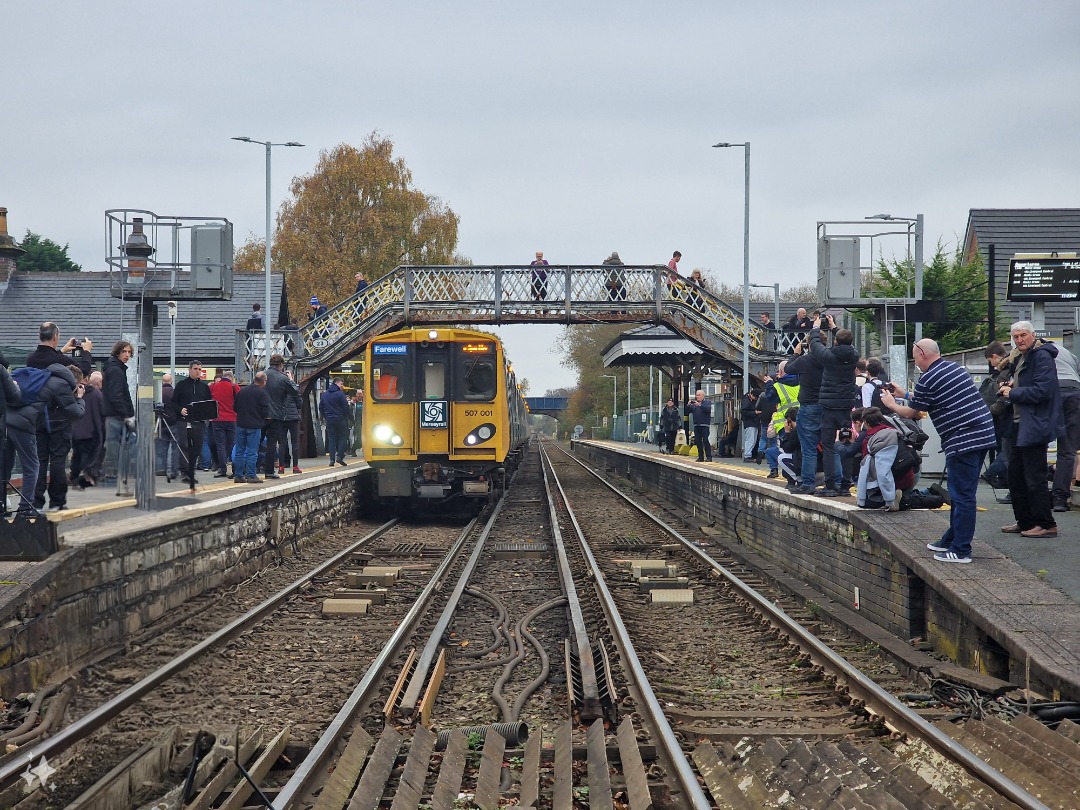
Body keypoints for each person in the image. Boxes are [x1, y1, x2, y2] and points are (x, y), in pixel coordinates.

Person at [881, 339, 996, 564]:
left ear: (923, 354)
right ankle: (951, 539)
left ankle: (961, 550)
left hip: (963, 439)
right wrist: (905, 394)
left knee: (962, 495)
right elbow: (929, 400)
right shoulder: (953, 368)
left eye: (915, 357)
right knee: (962, 493)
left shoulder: (929, 378)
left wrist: (891, 403)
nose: (915, 362)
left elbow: (910, 413)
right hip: (982, 434)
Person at [996, 322, 1063, 538]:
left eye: (1023, 335)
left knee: (1034, 477)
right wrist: (1010, 386)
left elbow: (1042, 391)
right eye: (1015, 336)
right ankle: (1025, 522)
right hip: (1018, 423)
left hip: (1034, 424)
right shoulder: (1020, 357)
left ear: (1033, 335)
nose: (1019, 340)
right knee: (1015, 476)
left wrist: (1012, 393)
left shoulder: (1042, 357)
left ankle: (1046, 523)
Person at [808, 313, 859, 496]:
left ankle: (831, 485)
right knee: (846, 443)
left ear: (835, 342)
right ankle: (846, 485)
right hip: (846, 408)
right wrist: (834, 327)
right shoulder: (854, 355)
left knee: (828, 446)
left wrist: (815, 327)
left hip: (829, 408)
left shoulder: (829, 357)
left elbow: (815, 345)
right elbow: (846, 342)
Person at [33, 362, 86, 512]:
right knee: (57, 463)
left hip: (39, 425)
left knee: (40, 463)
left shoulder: (46, 378)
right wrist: (80, 398)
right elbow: (76, 412)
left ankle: (36, 501)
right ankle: (57, 501)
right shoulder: (64, 385)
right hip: (60, 427)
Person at [1, 351, 41, 516]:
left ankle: (3, 503)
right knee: (31, 465)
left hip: (8, 423)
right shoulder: (2, 371)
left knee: (4, 466)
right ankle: (24, 507)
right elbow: (15, 396)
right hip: (9, 424)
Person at [784, 335, 825, 494]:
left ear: (808, 344)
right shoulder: (829, 359)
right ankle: (835, 483)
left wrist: (795, 353)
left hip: (808, 406)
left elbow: (788, 368)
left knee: (808, 448)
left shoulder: (804, 361)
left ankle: (808, 484)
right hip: (827, 405)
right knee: (829, 447)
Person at [171, 360, 213, 487]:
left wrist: (208, 416)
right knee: (184, 446)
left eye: (199, 369)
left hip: (198, 421)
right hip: (183, 421)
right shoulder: (181, 385)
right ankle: (185, 471)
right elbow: (173, 402)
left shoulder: (204, 387)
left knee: (197, 447)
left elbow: (208, 403)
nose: (197, 371)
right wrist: (180, 410)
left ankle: (191, 470)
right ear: (189, 370)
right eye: (195, 369)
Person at [101, 340, 136, 489]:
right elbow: (117, 395)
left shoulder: (115, 368)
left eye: (129, 352)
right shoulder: (116, 370)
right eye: (124, 352)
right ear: (117, 352)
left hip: (115, 414)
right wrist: (126, 414)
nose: (127, 355)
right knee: (114, 446)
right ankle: (111, 477)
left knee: (115, 446)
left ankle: (113, 475)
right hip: (116, 414)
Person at [1050, 341, 1080, 512]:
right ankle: (1060, 498)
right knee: (1067, 449)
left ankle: (1038, 494)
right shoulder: (1070, 354)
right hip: (1074, 392)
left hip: (1053, 391)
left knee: (1037, 443)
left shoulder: (1038, 352)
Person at [263, 354, 299, 479]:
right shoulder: (283, 378)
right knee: (272, 444)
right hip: (276, 415)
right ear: (281, 365)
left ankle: (251, 469)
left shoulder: (262, 375)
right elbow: (295, 392)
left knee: (256, 443)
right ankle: (269, 471)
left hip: (261, 414)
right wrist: (291, 380)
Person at [234, 373, 271, 483]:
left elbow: (235, 407)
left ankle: (238, 475)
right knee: (252, 451)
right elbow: (266, 411)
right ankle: (251, 475)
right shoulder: (261, 393)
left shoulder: (242, 391)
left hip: (240, 424)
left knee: (239, 451)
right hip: (254, 426)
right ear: (263, 381)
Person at [70, 368, 105, 488]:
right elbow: (102, 412)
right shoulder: (97, 394)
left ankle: (74, 476)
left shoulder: (73, 392)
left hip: (74, 430)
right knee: (86, 455)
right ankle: (83, 477)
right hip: (90, 431)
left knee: (76, 454)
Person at [210, 370, 240, 478]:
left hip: (217, 419)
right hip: (232, 419)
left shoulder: (213, 386)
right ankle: (234, 468)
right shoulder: (234, 387)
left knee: (220, 445)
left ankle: (222, 469)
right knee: (232, 444)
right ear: (231, 378)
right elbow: (239, 401)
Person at [277, 369, 304, 474]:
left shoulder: (279, 388)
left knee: (282, 443)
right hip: (293, 418)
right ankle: (295, 466)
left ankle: (281, 467)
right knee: (295, 443)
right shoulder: (293, 389)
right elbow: (300, 404)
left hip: (282, 417)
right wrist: (292, 381)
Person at [320, 378, 351, 466]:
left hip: (330, 419)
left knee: (332, 439)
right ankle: (340, 456)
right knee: (343, 437)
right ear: (337, 383)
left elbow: (321, 407)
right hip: (340, 419)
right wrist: (347, 417)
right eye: (341, 384)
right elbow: (346, 407)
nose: (342, 386)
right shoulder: (340, 394)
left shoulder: (325, 394)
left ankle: (331, 460)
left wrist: (326, 416)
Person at [156, 373, 181, 480]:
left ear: (162, 381)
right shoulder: (175, 393)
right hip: (173, 423)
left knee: (162, 448)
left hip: (160, 423)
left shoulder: (158, 392)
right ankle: (174, 470)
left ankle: (161, 469)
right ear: (171, 381)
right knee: (175, 448)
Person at [686, 389, 713, 462]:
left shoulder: (707, 402)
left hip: (705, 425)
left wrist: (700, 405)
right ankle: (700, 456)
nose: (697, 397)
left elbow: (708, 409)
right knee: (697, 441)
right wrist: (688, 405)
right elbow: (687, 412)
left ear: (703, 395)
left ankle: (709, 457)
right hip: (696, 425)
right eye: (696, 395)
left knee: (705, 440)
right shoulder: (694, 404)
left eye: (699, 395)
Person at [739, 389, 760, 462]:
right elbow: (744, 412)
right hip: (749, 422)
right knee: (750, 440)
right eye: (755, 398)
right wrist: (755, 413)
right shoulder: (746, 401)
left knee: (753, 440)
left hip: (753, 422)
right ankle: (747, 455)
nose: (756, 399)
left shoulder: (748, 400)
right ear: (751, 395)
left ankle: (748, 455)